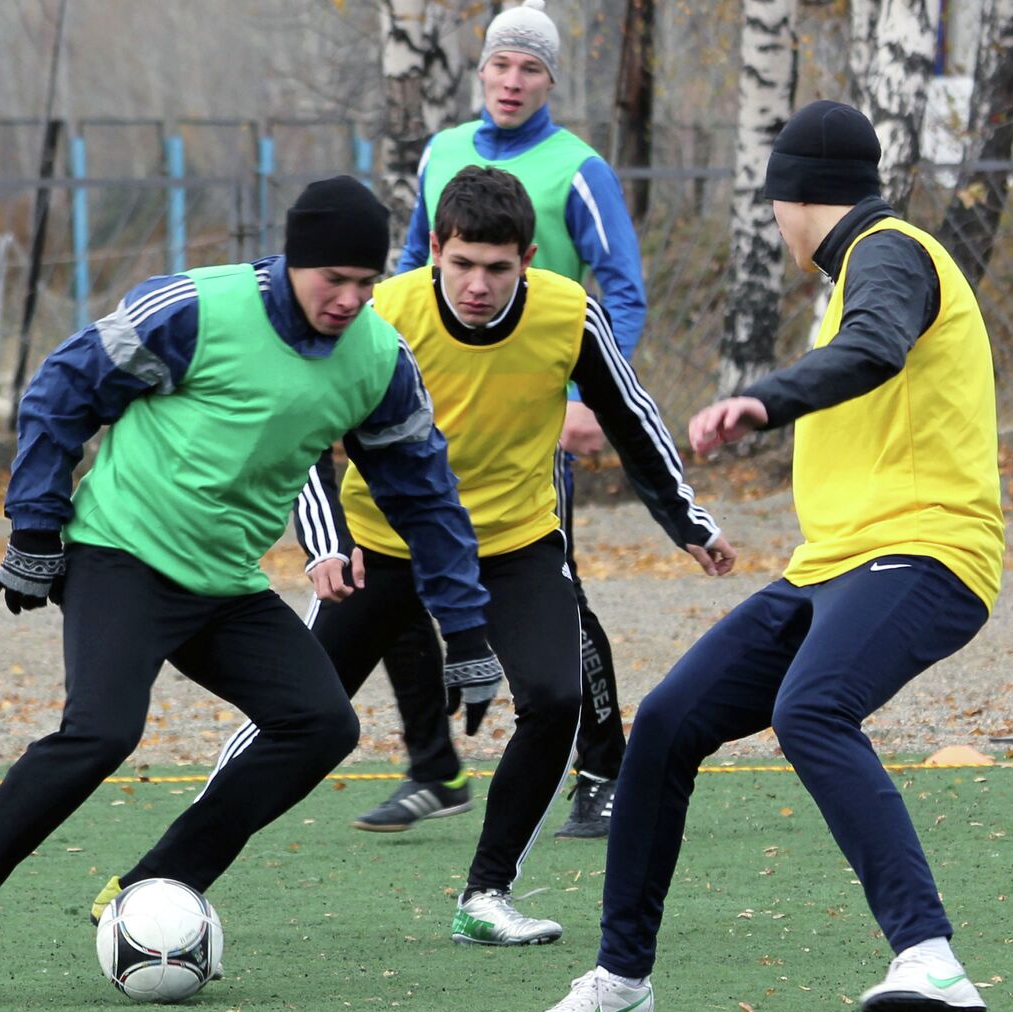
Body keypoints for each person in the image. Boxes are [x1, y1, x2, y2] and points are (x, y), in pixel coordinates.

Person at [0, 177, 501, 1010]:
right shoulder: (194, 309)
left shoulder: (380, 360)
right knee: (101, 732)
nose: (350, 300)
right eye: (333, 281)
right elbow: (61, 390)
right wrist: (34, 531)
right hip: (120, 555)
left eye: (366, 282)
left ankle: (151, 887)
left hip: (226, 582)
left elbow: (427, 499)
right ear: (294, 261)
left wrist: (465, 630)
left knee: (319, 723)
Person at [526, 99, 1006, 1012]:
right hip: (835, 563)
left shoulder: (889, 252)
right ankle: (621, 982)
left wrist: (761, 401)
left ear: (791, 195)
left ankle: (930, 956)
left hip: (928, 549)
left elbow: (872, 351)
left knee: (811, 708)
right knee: (665, 724)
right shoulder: (861, 268)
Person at [295, 165, 734, 946]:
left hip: (513, 544)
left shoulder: (570, 316)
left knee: (558, 700)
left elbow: (631, 419)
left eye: (498, 268)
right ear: (434, 249)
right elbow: (301, 436)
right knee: (296, 718)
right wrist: (326, 545)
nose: (477, 284)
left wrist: (687, 522)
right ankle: (167, 877)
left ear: (529, 258)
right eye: (462, 264)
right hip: (383, 544)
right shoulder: (382, 314)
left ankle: (486, 894)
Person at [364, 0, 646, 838]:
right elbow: (413, 264)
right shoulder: (444, 152)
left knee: (556, 599)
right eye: (500, 64)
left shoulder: (578, 168)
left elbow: (620, 288)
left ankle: (602, 769)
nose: (512, 80)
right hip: (432, 422)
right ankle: (433, 768)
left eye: (530, 68)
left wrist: (584, 397)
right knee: (398, 578)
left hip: (530, 424)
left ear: (551, 79)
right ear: (480, 69)